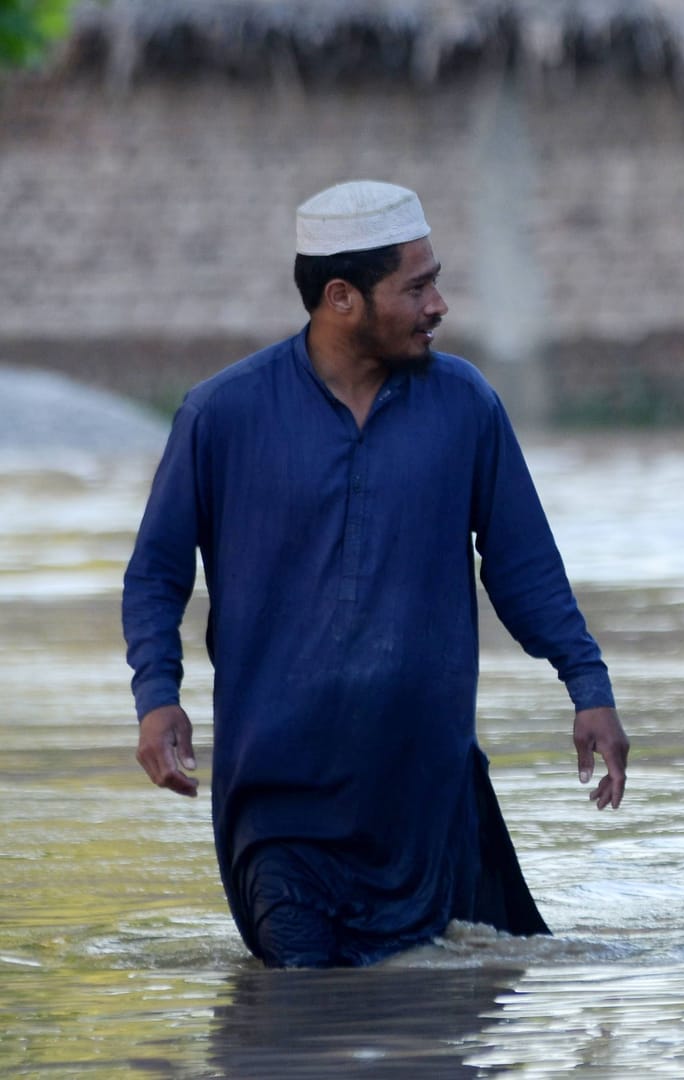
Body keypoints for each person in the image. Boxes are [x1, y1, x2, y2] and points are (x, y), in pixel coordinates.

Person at [122, 180, 630, 968]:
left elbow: (525, 567)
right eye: (417, 286)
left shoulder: (466, 406)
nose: (439, 305)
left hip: (426, 795)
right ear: (341, 298)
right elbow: (156, 575)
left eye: (436, 282)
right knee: (302, 1005)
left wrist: (588, 687)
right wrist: (158, 699)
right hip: (280, 803)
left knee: (432, 1012)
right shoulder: (221, 416)